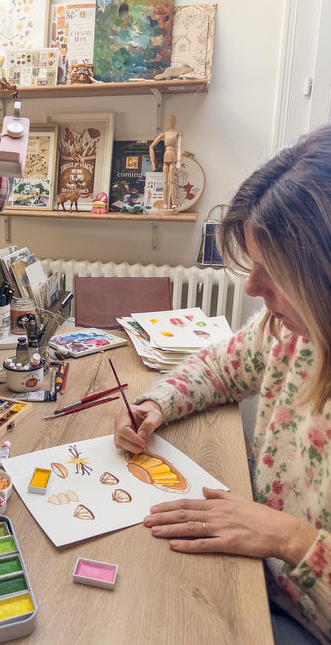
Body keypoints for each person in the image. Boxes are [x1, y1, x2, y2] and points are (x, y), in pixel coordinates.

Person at [115, 124, 331, 645]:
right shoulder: (289, 331)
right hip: (265, 583)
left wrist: (290, 538)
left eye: (273, 271)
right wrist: (155, 403)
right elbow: (219, 367)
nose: (252, 287)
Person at [149, 114, 182, 210]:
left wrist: (178, 160)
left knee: (172, 182)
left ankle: (173, 203)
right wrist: (152, 162)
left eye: (173, 121)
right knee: (165, 182)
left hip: (172, 157)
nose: (171, 122)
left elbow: (179, 147)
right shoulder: (163, 134)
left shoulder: (178, 134)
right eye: (170, 121)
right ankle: (165, 203)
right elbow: (151, 147)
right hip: (166, 157)